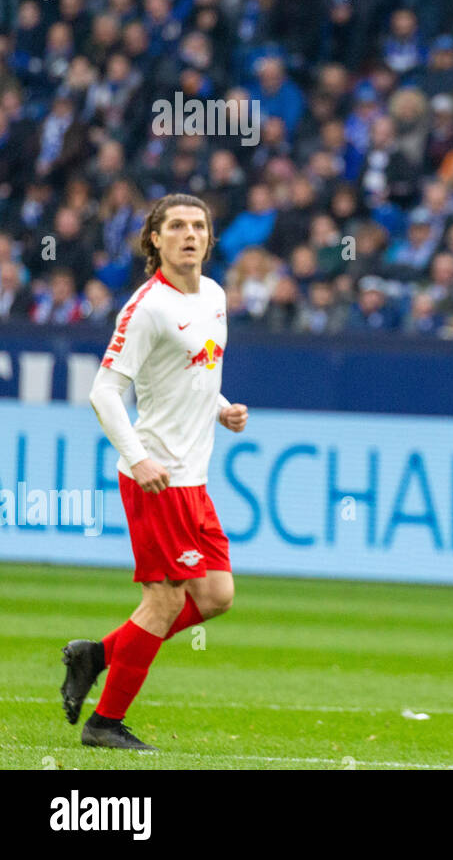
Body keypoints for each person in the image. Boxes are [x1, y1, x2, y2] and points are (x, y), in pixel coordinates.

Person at [60, 194, 248, 750]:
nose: (190, 234)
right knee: (164, 600)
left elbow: (194, 374)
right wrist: (138, 458)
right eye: (177, 227)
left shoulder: (213, 295)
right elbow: (105, 391)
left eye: (199, 226)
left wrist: (222, 408)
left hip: (193, 479)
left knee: (215, 595)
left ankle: (96, 655)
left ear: (209, 238)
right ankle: (104, 723)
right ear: (156, 240)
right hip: (156, 478)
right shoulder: (146, 307)